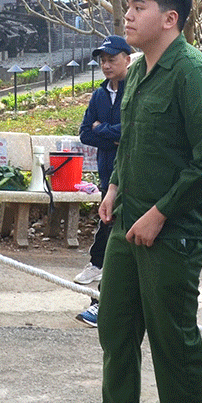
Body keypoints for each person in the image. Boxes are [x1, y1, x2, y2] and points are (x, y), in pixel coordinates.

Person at [50, 0, 202, 403]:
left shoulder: (192, 73)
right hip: (128, 222)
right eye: (126, 5)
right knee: (116, 326)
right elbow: (131, 148)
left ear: (169, 18)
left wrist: (160, 213)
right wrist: (115, 189)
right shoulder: (140, 73)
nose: (127, 15)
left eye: (139, 6)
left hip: (172, 233)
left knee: (173, 340)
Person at [73, 35, 131, 325]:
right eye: (102, 60)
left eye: (112, 59)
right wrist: (111, 132)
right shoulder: (99, 94)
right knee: (109, 226)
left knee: (115, 235)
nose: (106, 65)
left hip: (131, 174)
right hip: (108, 175)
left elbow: (131, 131)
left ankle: (102, 299)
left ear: (127, 59)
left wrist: (103, 129)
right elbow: (85, 132)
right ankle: (100, 280)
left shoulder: (136, 89)